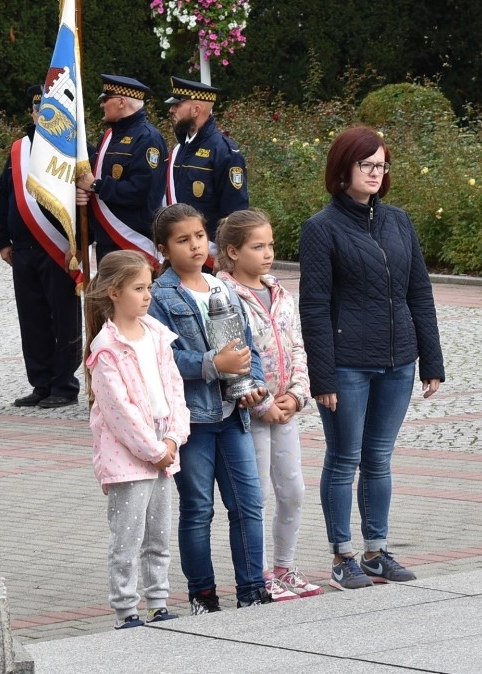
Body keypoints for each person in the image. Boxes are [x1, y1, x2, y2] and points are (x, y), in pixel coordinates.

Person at [298, 125, 445, 590]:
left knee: (379, 458)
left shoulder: (398, 221)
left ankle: (376, 551)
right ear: (344, 169)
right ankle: (343, 556)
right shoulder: (321, 229)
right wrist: (322, 376)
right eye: (368, 165)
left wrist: (431, 359)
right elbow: (314, 307)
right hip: (347, 365)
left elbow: (419, 291)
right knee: (344, 459)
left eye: (382, 166)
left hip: (398, 360)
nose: (377, 173)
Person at [148, 202, 272, 613]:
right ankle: (203, 594)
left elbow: (247, 348)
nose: (195, 246)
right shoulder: (162, 296)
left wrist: (250, 385)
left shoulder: (222, 288)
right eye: (182, 240)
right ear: (163, 248)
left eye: (199, 236)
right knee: (198, 509)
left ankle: (253, 589)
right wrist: (211, 365)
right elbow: (161, 359)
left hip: (232, 416)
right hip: (193, 422)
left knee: (248, 504)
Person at [215, 208, 324, 602]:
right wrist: (261, 405)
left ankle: (284, 566)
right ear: (232, 250)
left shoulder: (280, 292)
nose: (267, 253)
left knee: (293, 489)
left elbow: (297, 346)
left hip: (286, 409)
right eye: (257, 246)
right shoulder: (223, 295)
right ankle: (258, 574)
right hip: (251, 413)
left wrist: (296, 395)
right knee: (256, 494)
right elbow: (231, 356)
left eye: (271, 245)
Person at [85, 250, 190, 629]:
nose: (147, 295)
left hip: (164, 444)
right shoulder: (105, 349)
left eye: (148, 287)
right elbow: (120, 411)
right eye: (139, 288)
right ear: (114, 292)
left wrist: (175, 438)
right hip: (130, 456)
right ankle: (126, 609)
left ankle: (158, 602)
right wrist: (153, 450)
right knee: (127, 538)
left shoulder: (157, 334)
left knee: (159, 532)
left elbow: (175, 388)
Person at [0, 85, 82, 409]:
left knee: (64, 319)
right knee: (32, 320)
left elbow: (80, 202)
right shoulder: (19, 150)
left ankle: (65, 384)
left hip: (59, 248)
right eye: (36, 109)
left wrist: (80, 246)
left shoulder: (70, 149)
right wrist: (2, 238)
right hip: (24, 250)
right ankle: (41, 382)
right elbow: (5, 194)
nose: (39, 114)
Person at [75, 75, 166, 265]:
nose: (102, 105)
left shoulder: (148, 139)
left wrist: (96, 185)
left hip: (132, 240)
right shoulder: (108, 136)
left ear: (122, 102)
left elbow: (140, 191)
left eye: (106, 99)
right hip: (105, 237)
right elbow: (91, 181)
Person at [164, 76, 249, 245]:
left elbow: (234, 212)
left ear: (196, 110)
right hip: (180, 248)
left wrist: (224, 253)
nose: (171, 110)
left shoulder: (224, 151)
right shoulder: (180, 149)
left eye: (177, 105)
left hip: (208, 253)